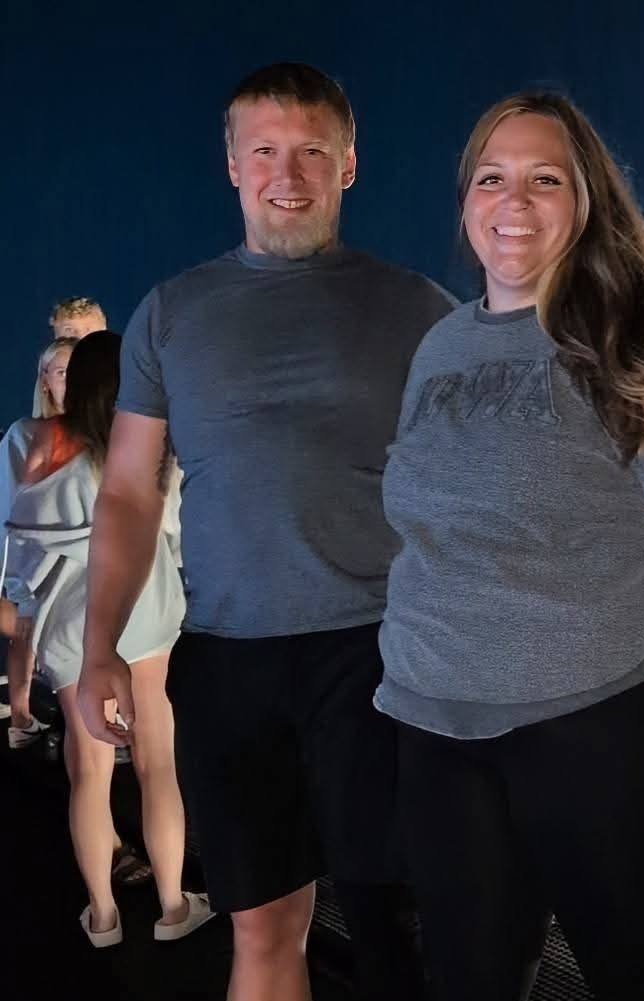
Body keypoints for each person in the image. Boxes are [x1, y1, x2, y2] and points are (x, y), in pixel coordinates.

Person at [375, 91, 644, 1001]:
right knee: (467, 983)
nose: (513, 201)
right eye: (491, 178)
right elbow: (428, 524)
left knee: (635, 979)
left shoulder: (642, 337)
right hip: (435, 727)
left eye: (544, 180)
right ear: (466, 201)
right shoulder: (440, 347)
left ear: (588, 198)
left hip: (595, 722)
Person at [76, 62, 454, 1001]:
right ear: (232, 166)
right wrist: (99, 647)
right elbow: (127, 493)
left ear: (348, 165)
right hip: (227, 660)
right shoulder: (170, 314)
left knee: (397, 928)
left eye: (312, 152)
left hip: (378, 655)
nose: (288, 175)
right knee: (262, 928)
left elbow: (489, 468)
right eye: (265, 151)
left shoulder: (415, 309)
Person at [3, 331, 210, 946]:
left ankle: (102, 916)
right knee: (157, 764)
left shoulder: (36, 445)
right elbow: (177, 534)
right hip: (145, 612)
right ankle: (173, 907)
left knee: (89, 774)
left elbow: (16, 539)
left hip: (69, 622)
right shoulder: (148, 451)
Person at [3, 336, 77, 748]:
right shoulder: (26, 434)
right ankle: (22, 718)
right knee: (27, 633)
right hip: (38, 566)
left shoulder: (105, 433)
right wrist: (14, 580)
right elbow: (11, 506)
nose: (73, 380)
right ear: (45, 381)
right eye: (63, 371)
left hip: (83, 569)